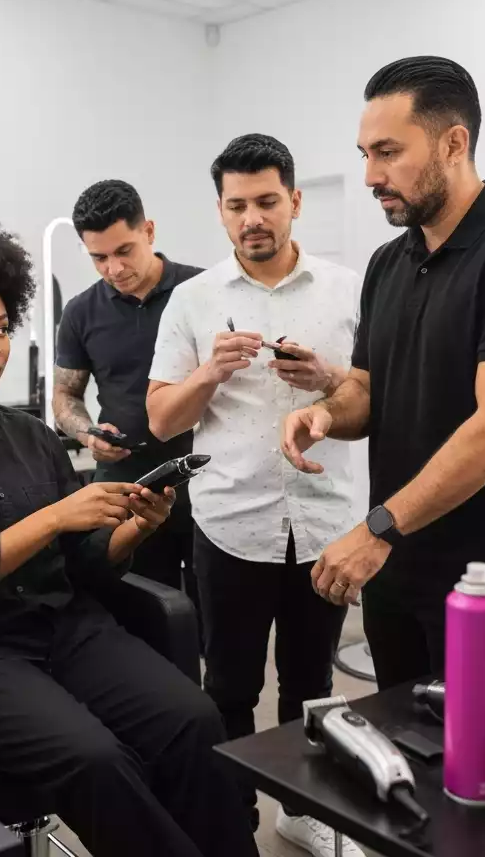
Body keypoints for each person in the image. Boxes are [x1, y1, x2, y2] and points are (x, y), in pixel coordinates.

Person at [0, 211, 258, 857]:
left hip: (67, 629)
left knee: (194, 719)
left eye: (1, 329)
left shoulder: (31, 435)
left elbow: (82, 566)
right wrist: (54, 518)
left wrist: (128, 533)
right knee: (96, 758)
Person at [282, 56, 485, 689]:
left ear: (454, 142)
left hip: (483, 580)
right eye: (364, 154)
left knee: (480, 773)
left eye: (388, 152)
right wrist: (328, 413)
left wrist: (377, 527)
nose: (370, 175)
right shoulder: (389, 263)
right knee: (405, 753)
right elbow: (367, 387)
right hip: (395, 567)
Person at [147, 134, 362, 857]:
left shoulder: (350, 289)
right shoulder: (193, 299)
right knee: (230, 686)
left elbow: (379, 396)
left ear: (295, 201)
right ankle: (233, 814)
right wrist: (208, 374)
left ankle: (306, 811)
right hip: (230, 522)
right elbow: (160, 418)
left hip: (327, 522)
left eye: (267, 201)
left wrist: (329, 378)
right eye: (237, 206)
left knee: (312, 681)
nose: (252, 219)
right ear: (220, 212)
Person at [54, 180, 202, 604]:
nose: (114, 269)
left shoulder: (201, 292)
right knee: (139, 612)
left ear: (149, 232)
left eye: (124, 251)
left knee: (214, 622)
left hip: (205, 479)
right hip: (126, 483)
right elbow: (65, 396)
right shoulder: (81, 311)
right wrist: (87, 434)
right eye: (99, 257)